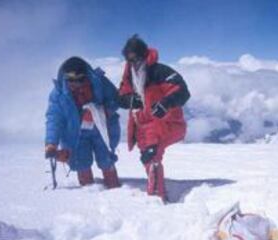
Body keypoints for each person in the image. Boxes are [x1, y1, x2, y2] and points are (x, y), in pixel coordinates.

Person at [118, 35, 190, 201]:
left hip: (166, 122)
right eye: (129, 60)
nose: (134, 63)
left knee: (152, 154)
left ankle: (157, 198)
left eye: (136, 59)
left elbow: (183, 91)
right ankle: (156, 190)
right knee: (147, 158)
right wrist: (129, 100)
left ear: (144, 55)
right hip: (141, 125)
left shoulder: (160, 72)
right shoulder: (129, 76)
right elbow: (120, 97)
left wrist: (166, 103)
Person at [45, 57, 121, 188]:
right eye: (71, 80)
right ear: (65, 77)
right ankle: (87, 195)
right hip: (76, 134)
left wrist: (101, 112)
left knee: (106, 160)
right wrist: (51, 143)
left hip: (101, 129)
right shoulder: (58, 94)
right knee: (81, 162)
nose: (76, 83)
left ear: (85, 75)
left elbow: (115, 99)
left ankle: (114, 188)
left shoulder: (99, 81)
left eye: (80, 79)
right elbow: (54, 118)